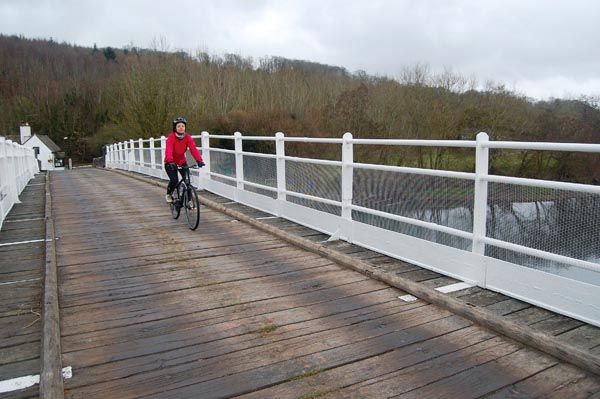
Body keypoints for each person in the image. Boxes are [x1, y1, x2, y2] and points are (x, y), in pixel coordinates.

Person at [164, 116, 205, 203]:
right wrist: (170, 160)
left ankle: (189, 201)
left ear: (185, 127)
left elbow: (193, 149)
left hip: (182, 161)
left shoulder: (187, 137)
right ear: (175, 128)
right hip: (170, 162)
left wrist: (199, 160)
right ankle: (169, 194)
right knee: (174, 180)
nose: (181, 128)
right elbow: (169, 150)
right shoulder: (171, 137)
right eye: (178, 126)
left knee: (187, 181)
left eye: (183, 126)